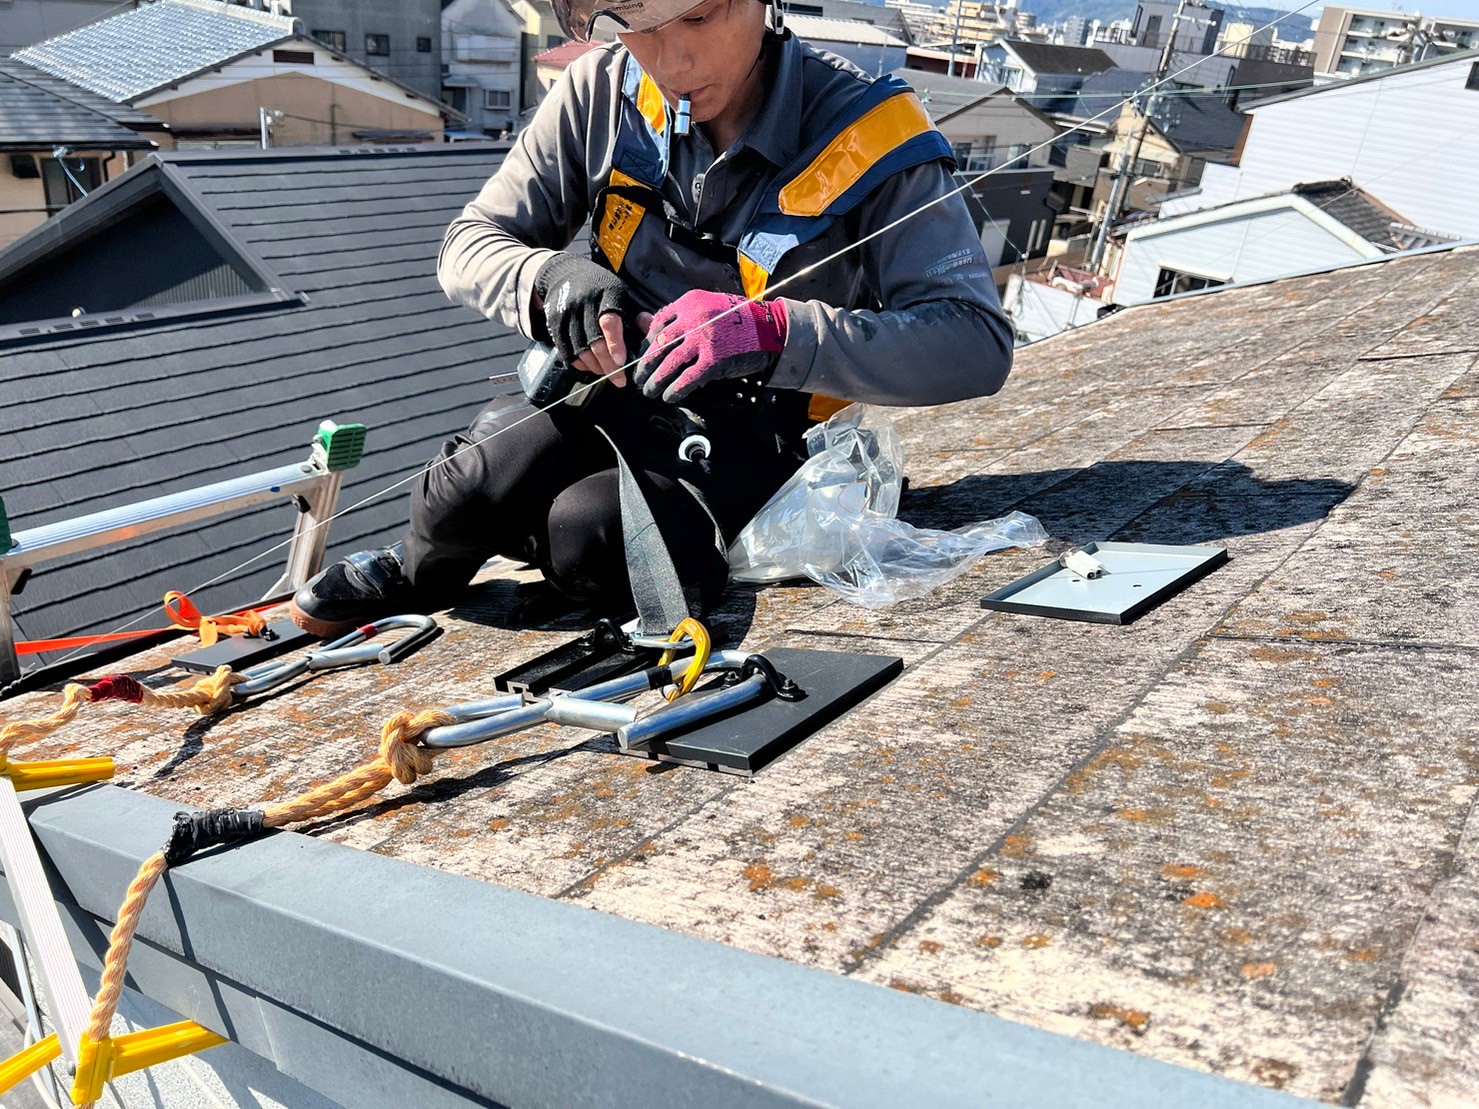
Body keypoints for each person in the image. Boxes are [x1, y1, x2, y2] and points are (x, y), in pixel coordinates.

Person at [289, 0, 1014, 638]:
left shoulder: (870, 129)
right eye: (636, 23)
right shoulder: (602, 90)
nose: (672, 59)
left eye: (697, 16)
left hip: (767, 428)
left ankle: (563, 550)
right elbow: (468, 246)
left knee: (591, 537)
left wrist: (773, 333)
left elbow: (973, 341)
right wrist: (551, 279)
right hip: (621, 386)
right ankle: (421, 569)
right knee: (463, 485)